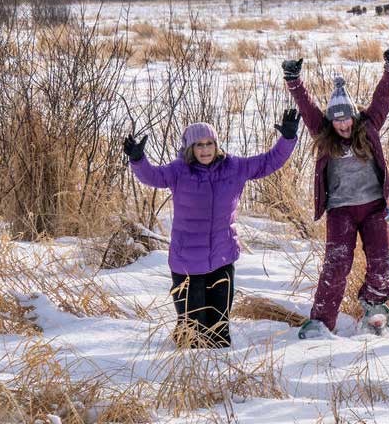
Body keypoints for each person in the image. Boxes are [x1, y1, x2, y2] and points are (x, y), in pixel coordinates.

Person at [125, 111, 298, 348]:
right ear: (190, 147)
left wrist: (287, 139)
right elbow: (152, 176)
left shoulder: (234, 167)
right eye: (199, 145)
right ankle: (187, 368)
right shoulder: (178, 171)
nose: (205, 149)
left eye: (210, 144)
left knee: (219, 334)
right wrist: (138, 160)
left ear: (216, 145)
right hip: (187, 262)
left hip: (222, 257)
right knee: (193, 334)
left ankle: (220, 379)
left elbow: (268, 162)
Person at [283, 47, 389, 338]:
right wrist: (293, 80)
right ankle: (322, 322)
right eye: (336, 120)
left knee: (382, 261)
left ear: (352, 115)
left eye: (345, 118)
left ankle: (375, 308)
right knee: (336, 264)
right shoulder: (324, 134)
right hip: (341, 210)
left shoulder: (369, 126)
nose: (342, 124)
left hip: (374, 207)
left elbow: (382, 99)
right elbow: (308, 108)